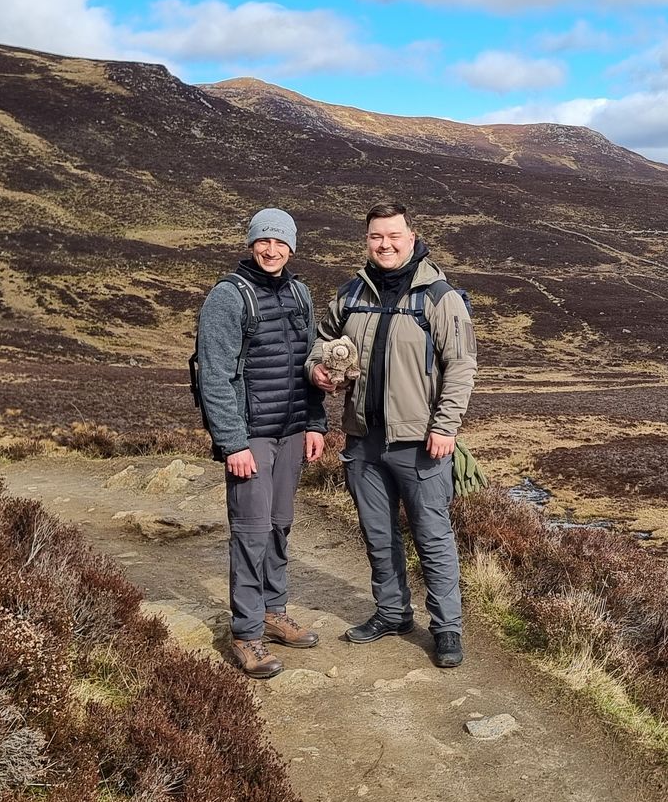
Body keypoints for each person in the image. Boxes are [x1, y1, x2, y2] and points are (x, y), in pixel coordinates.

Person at [309, 201, 477, 669]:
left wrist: (445, 426)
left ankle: (446, 628)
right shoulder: (350, 295)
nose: (384, 245)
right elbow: (319, 344)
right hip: (363, 439)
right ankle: (391, 613)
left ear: (411, 235)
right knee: (377, 534)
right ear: (366, 240)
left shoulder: (439, 297)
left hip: (420, 442)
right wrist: (318, 370)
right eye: (375, 237)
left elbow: (461, 366)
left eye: (393, 236)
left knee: (433, 536)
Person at [194, 207, 326, 679]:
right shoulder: (228, 298)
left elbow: (312, 366)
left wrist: (316, 423)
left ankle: (274, 612)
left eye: (280, 242)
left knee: (279, 526)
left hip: (291, 431)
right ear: (251, 244)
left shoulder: (299, 292)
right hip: (250, 437)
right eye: (263, 241)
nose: (271, 250)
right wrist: (233, 443)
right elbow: (215, 376)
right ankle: (246, 633)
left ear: (292, 247)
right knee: (250, 534)